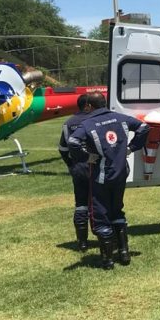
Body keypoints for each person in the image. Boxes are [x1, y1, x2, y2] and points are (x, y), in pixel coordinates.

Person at [68, 92, 149, 269]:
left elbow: (73, 141)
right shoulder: (120, 118)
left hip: (101, 177)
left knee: (100, 214)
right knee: (117, 210)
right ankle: (124, 253)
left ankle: (108, 260)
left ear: (89, 106)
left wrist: (87, 157)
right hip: (120, 174)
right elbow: (144, 127)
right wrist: (132, 148)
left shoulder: (88, 124)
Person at [58, 94, 93, 252]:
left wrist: (71, 165)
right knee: (101, 203)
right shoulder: (95, 119)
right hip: (96, 167)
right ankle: (107, 238)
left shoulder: (68, 123)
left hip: (78, 168)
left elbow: (63, 149)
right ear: (87, 105)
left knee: (81, 205)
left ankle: (82, 242)